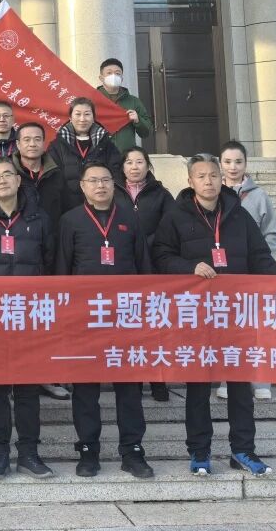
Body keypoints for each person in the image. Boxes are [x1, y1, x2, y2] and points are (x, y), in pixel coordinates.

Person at [153, 153, 276, 477]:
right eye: (201, 176)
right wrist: (189, 267)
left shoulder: (239, 215)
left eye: (213, 175)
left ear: (222, 179)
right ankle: (199, 451)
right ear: (190, 181)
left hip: (235, 314)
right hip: (196, 315)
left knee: (240, 386)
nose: (208, 181)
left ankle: (243, 450)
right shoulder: (176, 216)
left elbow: (261, 259)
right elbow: (160, 256)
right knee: (198, 387)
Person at [56, 160, 155, 480]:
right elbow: (62, 270)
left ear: (115, 185)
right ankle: (88, 450)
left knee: (129, 387)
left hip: (125, 317)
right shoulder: (70, 220)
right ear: (82, 186)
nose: (100, 186)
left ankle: (132, 451)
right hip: (85, 319)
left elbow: (143, 266)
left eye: (105, 180)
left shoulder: (129, 218)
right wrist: (65, 316)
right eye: (93, 181)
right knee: (85, 388)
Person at [0, 155, 54, 479]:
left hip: (30, 315)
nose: (2, 180)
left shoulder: (39, 218)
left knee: (28, 388)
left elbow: (50, 263)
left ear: (19, 180)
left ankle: (29, 453)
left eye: (8, 174)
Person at [219, 140, 276, 401]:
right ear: (220, 164)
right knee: (227, 327)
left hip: (254, 274)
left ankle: (260, 380)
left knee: (256, 327)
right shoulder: (214, 193)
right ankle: (228, 378)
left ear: (246, 164)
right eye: (227, 162)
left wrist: (262, 262)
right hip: (225, 274)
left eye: (238, 161)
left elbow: (272, 233)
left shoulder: (259, 196)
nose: (233, 167)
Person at [113, 146, 177, 402]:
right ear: (122, 167)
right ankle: (134, 381)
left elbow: (171, 227)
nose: (134, 167)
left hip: (153, 267)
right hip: (125, 268)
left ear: (148, 166)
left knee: (154, 327)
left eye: (139, 162)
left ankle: (158, 380)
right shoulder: (113, 191)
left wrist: (147, 243)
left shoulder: (161, 194)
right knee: (129, 327)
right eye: (129, 162)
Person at [12, 121, 70, 402]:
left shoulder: (57, 175)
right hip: (16, 255)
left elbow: (67, 213)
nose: (32, 144)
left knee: (46, 318)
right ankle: (16, 377)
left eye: (37, 139)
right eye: (26, 139)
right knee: (17, 319)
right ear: (17, 144)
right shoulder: (9, 173)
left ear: (44, 143)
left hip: (49, 252)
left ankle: (47, 375)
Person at [51, 98, 123, 213]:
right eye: (78, 114)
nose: (82, 119)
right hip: (68, 209)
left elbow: (116, 175)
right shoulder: (57, 146)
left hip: (101, 207)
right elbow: (54, 180)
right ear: (70, 118)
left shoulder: (106, 144)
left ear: (93, 118)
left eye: (87, 114)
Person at [97, 58, 153, 153]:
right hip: (99, 156)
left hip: (126, 156)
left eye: (117, 73)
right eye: (109, 73)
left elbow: (146, 133)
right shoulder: (91, 100)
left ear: (122, 78)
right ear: (101, 78)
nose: (113, 76)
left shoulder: (133, 101)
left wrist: (138, 120)